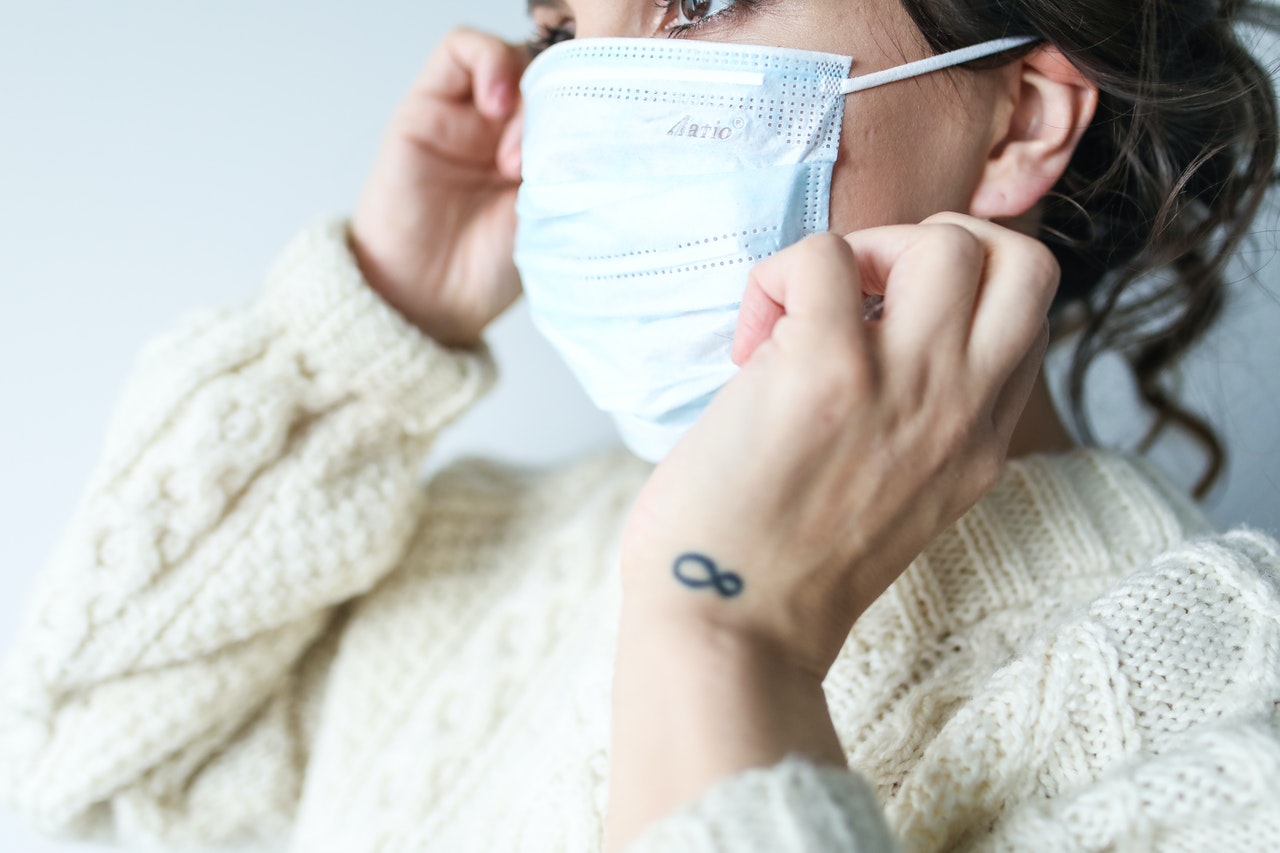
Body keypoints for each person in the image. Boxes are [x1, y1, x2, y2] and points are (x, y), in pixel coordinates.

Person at [2, 0, 1278, 849]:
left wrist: (727, 637)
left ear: (1018, 115)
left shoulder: (1215, 729)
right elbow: (67, 799)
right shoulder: (476, 547)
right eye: (564, 30)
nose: (589, 98)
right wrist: (367, 339)